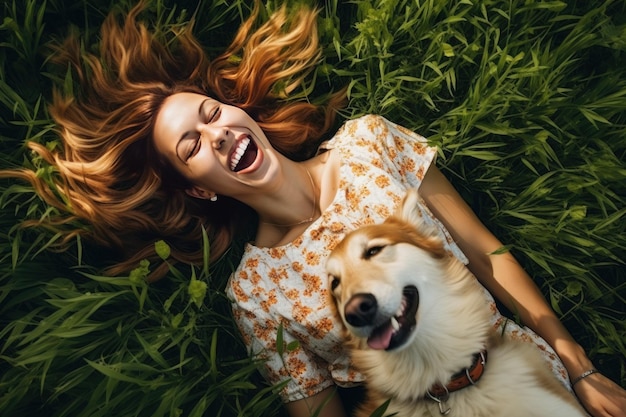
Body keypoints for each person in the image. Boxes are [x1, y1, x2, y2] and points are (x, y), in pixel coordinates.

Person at [3, 2, 625, 417]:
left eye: (212, 114)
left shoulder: (368, 142)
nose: (216, 135)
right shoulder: (254, 294)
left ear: (238, 114)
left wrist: (580, 367)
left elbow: (487, 252)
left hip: (529, 377)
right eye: (191, 146)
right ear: (198, 188)